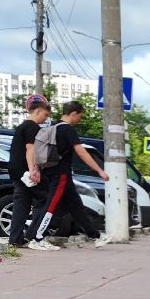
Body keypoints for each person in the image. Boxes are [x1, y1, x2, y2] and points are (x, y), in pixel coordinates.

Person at [28, 101, 109, 248]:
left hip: (53, 172)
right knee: (51, 205)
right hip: (60, 174)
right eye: (80, 116)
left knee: (76, 205)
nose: (80, 119)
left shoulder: (53, 127)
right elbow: (81, 152)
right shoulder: (67, 129)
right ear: (74, 113)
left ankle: (94, 235)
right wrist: (99, 170)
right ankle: (37, 238)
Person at [5, 94, 49, 248]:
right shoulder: (32, 126)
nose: (45, 118)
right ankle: (34, 234)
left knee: (22, 204)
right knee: (45, 199)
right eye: (44, 114)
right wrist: (33, 170)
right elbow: (30, 148)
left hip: (16, 170)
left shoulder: (22, 126)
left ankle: (15, 239)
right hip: (25, 171)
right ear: (37, 111)